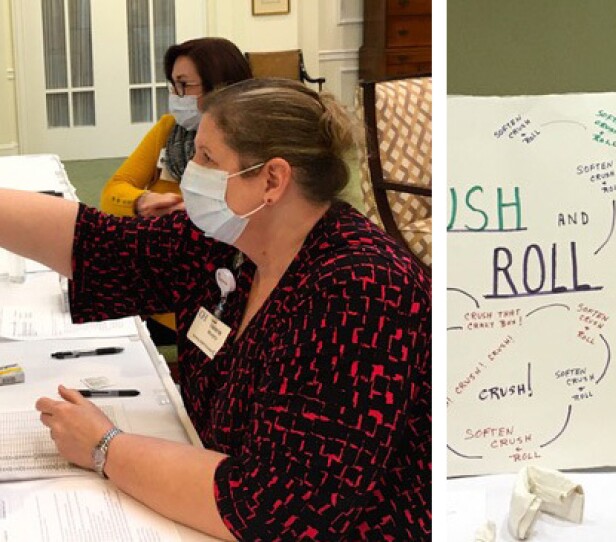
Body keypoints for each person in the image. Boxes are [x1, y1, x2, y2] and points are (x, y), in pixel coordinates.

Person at [0, 78, 431, 540]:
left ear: (272, 179)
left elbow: (276, 508)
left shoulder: (362, 290)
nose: (190, 171)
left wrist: (105, 448)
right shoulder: (233, 240)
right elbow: (104, 249)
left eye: (207, 158)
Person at [100, 37, 252, 344]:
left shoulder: (250, 145)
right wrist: (141, 201)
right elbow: (112, 193)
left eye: (184, 85)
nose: (176, 96)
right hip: (157, 270)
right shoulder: (169, 130)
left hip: (209, 282)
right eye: (172, 85)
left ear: (220, 85)